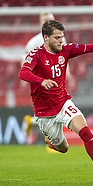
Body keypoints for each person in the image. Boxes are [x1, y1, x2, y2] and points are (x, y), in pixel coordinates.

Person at [19, 19, 93, 183]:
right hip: (44, 113)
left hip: (63, 103)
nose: (61, 41)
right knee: (63, 148)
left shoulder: (66, 50)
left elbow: (92, 47)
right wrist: (41, 81)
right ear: (46, 38)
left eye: (62, 37)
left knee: (85, 131)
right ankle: (51, 142)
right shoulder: (35, 54)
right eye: (57, 38)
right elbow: (23, 73)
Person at [23, 12, 72, 140]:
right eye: (46, 20)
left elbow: (63, 57)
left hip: (57, 79)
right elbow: (25, 64)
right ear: (40, 23)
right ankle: (52, 139)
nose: (49, 22)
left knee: (57, 109)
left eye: (51, 19)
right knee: (55, 109)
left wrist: (67, 72)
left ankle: (33, 123)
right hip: (43, 83)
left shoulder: (60, 38)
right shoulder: (34, 42)